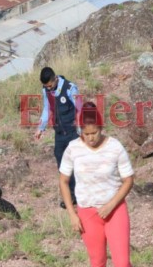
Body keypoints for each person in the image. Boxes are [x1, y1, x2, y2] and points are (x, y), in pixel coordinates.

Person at [59, 102, 134, 267]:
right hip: (87, 213)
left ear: (101, 128)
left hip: (115, 211)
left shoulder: (115, 147)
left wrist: (111, 204)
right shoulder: (73, 149)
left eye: (95, 132)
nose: (91, 138)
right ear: (80, 131)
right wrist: (72, 213)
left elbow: (128, 179)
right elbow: (63, 181)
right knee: (97, 261)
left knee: (122, 263)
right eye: (86, 134)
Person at [34, 67, 81, 208]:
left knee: (77, 165)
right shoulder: (46, 91)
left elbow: (79, 108)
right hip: (59, 134)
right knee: (63, 166)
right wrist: (40, 128)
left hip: (73, 133)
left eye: (50, 85)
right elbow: (46, 109)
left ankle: (82, 194)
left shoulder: (69, 88)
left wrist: (80, 130)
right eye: (45, 86)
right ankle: (71, 196)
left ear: (55, 79)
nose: (48, 88)